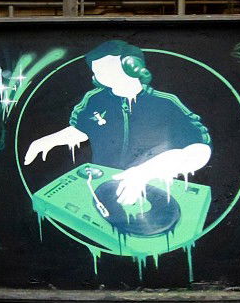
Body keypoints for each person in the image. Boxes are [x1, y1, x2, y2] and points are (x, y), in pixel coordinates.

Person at [24, 40, 212, 206]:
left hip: (156, 190)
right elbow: (82, 129)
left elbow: (200, 149)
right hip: (102, 188)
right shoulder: (93, 99)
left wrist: (145, 173)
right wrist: (48, 141)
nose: (102, 76)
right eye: (97, 71)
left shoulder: (166, 103)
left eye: (107, 68)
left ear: (132, 66)